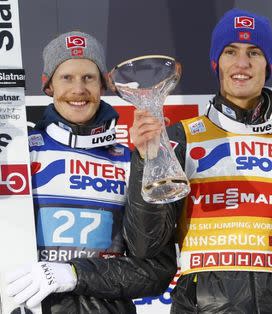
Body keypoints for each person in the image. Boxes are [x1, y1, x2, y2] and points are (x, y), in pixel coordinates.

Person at [124, 8, 272, 314]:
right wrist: (146, 159)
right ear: (216, 63)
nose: (242, 64)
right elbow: (146, 245)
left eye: (254, 52)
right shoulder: (180, 138)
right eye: (230, 52)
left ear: (269, 64)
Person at [5, 31, 176, 313]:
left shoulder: (131, 161)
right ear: (47, 86)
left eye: (88, 78)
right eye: (66, 78)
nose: (78, 89)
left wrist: (74, 274)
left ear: (103, 85)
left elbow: (155, 270)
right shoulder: (19, 155)